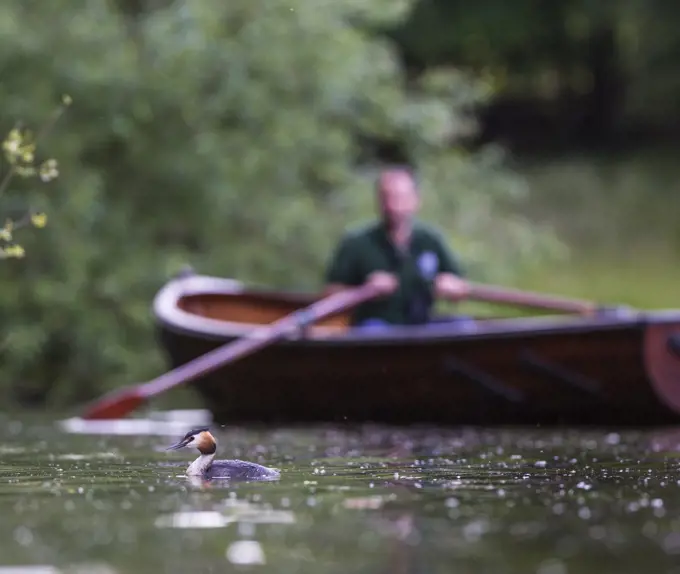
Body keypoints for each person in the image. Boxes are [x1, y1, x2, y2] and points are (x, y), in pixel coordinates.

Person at [323, 166, 471, 329]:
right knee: (372, 333)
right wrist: (365, 289)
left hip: (421, 325)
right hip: (376, 326)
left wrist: (452, 288)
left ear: (416, 200)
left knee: (462, 326)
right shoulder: (356, 242)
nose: (394, 206)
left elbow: (461, 288)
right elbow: (330, 295)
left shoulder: (431, 240)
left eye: (401, 198)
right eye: (387, 198)